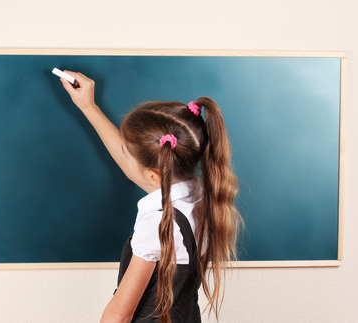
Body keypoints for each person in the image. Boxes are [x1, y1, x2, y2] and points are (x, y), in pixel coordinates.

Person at [60, 71, 242, 323]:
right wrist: (88, 107)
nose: (125, 155)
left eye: (128, 152)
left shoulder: (156, 224)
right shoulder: (199, 198)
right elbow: (135, 169)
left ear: (154, 175)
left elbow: (119, 315)